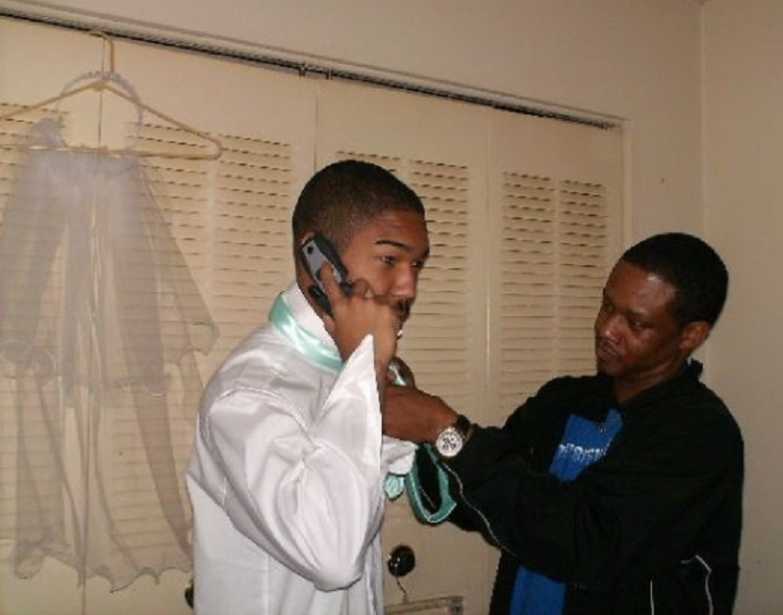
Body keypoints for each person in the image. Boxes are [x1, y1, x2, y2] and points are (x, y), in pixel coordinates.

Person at [384, 232, 744, 614]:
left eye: (635, 323)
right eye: (607, 305)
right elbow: (486, 498)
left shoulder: (699, 434)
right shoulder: (562, 401)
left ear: (691, 335)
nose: (606, 329)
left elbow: (586, 544)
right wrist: (415, 422)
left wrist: (444, 429)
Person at [186, 160, 430, 615]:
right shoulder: (250, 396)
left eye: (416, 265)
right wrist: (368, 364)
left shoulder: (349, 372)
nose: (408, 286)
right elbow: (333, 557)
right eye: (390, 259)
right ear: (316, 256)